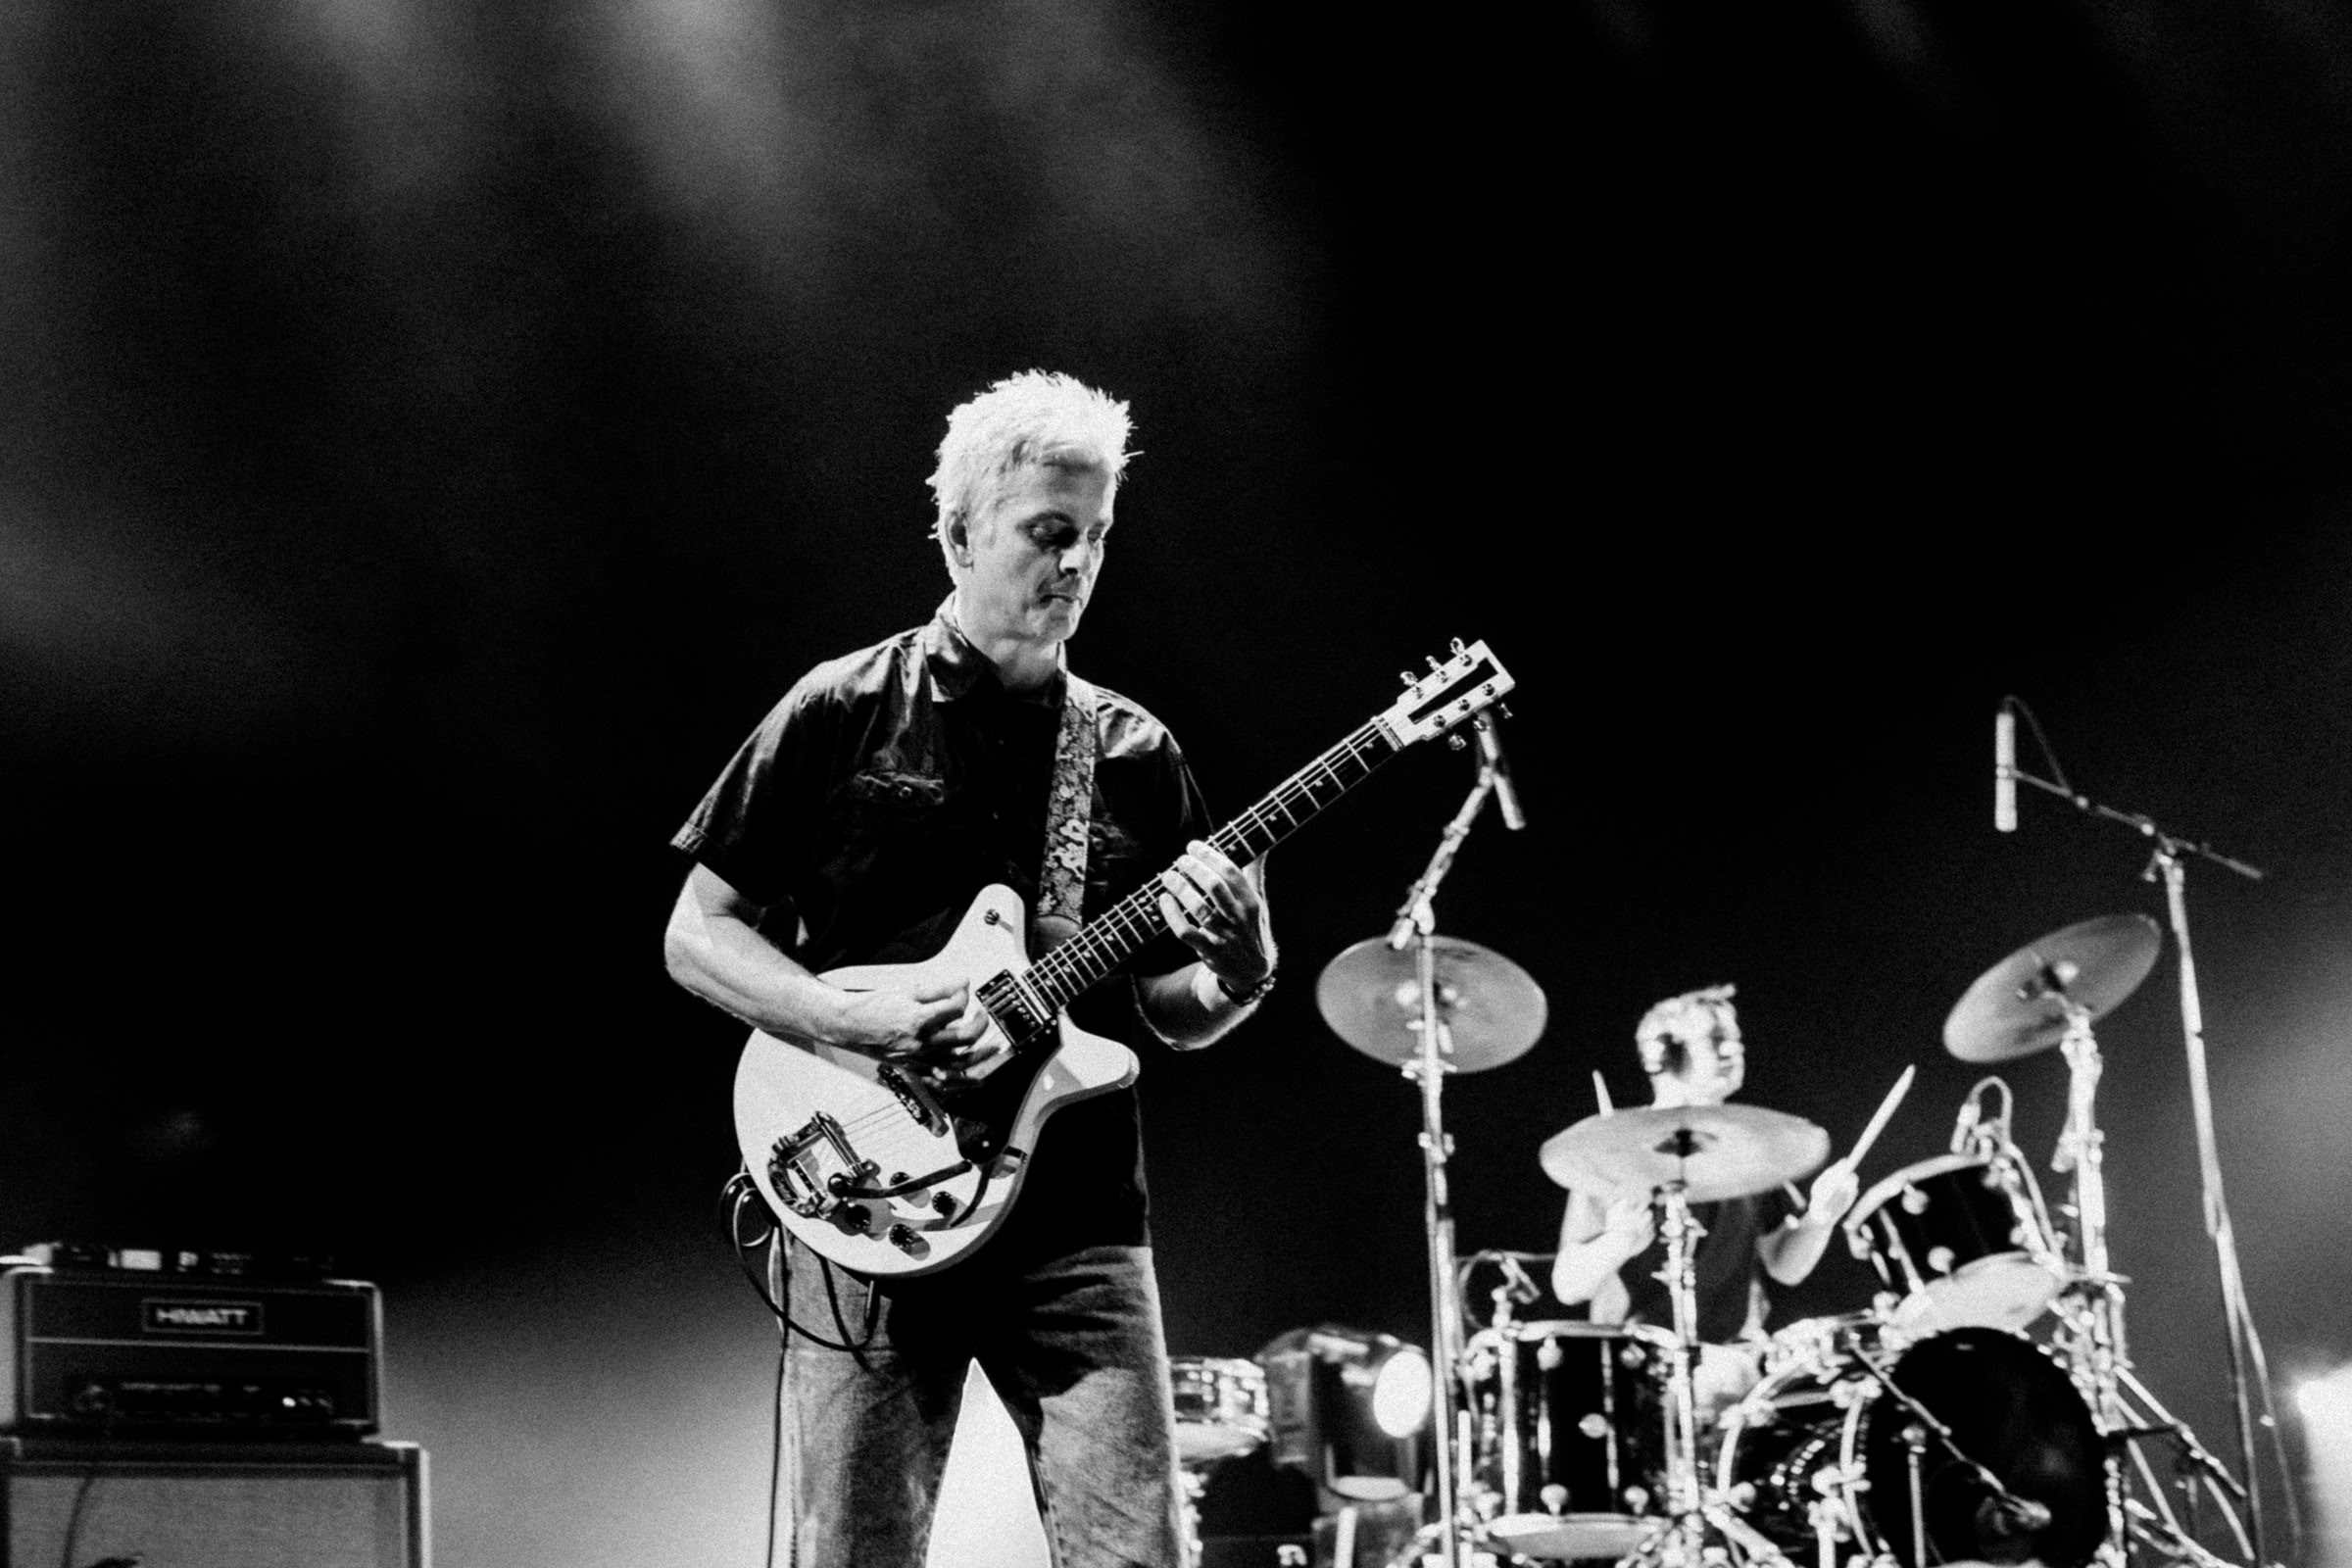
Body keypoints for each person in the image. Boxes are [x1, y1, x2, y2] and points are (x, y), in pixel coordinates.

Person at [662, 370, 1276, 1566]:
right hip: (867, 1200)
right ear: (956, 535)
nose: (1079, 565)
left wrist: (1241, 970)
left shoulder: (1136, 752)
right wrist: (864, 1024)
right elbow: (696, 934)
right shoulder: (840, 709)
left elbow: (1170, 1013)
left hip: (1079, 1222)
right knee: (856, 1550)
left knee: (1137, 1555)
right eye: (1050, 533)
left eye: (1096, 537)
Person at [1549, 985, 1858, 1407]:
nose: (1733, 1049)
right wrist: (1617, 1242)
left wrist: (1821, 1218)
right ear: (1664, 1055)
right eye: (1715, 1040)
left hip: (1736, 1363)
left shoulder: (1752, 1153)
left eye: (1736, 1040)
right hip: (1637, 1372)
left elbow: (1784, 1266)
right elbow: (1568, 1286)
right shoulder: (1612, 1154)